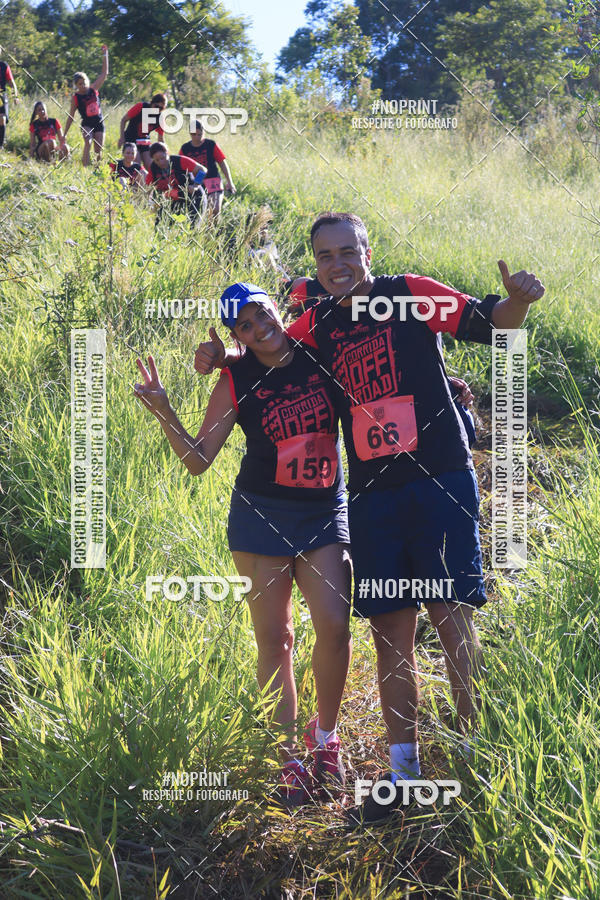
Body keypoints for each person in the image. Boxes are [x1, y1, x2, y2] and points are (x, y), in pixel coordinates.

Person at [194, 212, 545, 825]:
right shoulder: (316, 323)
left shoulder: (409, 293)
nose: (337, 264)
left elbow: (492, 322)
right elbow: (268, 344)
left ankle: (474, 763)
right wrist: (222, 353)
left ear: (368, 252)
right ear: (316, 263)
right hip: (372, 499)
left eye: (347, 252)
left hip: (439, 481)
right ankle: (405, 775)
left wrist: (517, 301)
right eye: (324, 256)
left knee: (452, 619)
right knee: (390, 635)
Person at [133, 282, 352, 808]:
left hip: (324, 511)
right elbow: (198, 460)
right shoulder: (236, 379)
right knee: (276, 640)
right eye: (245, 326)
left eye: (261, 314)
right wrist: (163, 409)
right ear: (238, 336)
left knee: (335, 625)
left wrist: (442, 383)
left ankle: (325, 738)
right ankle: (288, 759)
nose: (259, 328)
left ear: (276, 308)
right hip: (260, 518)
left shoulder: (320, 351)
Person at [63, 45, 109, 166]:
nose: (83, 86)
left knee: (98, 150)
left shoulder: (93, 89)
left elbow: (104, 74)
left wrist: (105, 55)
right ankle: (85, 168)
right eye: (80, 84)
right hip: (87, 124)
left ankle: (97, 171)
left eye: (84, 83)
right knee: (88, 142)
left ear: (87, 81)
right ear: (76, 85)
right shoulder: (76, 98)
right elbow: (71, 116)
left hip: (99, 122)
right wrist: (64, 133)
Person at [179, 120, 235, 218]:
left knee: (214, 209)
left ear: (203, 132)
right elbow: (180, 169)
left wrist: (230, 182)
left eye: (199, 134)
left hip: (212, 180)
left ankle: (214, 227)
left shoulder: (211, 144)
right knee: (198, 213)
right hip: (195, 183)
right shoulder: (185, 149)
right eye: (194, 135)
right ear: (190, 133)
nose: (197, 137)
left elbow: (222, 163)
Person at [145, 141, 207, 226]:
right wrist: (149, 203)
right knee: (160, 225)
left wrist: (195, 186)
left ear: (167, 153)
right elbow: (147, 188)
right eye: (157, 160)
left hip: (194, 197)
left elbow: (202, 170)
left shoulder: (178, 160)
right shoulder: (153, 168)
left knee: (192, 226)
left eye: (163, 158)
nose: (161, 162)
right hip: (175, 200)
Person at [119, 94, 167, 169]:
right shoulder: (140, 107)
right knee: (136, 165)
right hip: (131, 139)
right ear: (152, 103)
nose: (158, 109)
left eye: (161, 108)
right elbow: (123, 120)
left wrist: (165, 153)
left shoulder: (160, 118)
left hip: (144, 141)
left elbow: (160, 139)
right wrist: (122, 137)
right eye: (156, 106)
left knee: (151, 166)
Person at [0, 53, 18, 150]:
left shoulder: (4, 66)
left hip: (1, 95)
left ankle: (0, 145)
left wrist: (15, 96)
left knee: (2, 118)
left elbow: (11, 83)